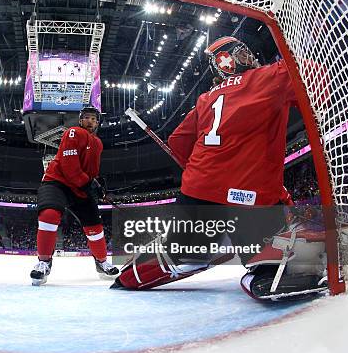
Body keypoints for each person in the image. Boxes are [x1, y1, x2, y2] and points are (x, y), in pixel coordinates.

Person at [114, 36, 325, 300]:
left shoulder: (206, 98)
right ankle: (261, 272)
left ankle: (133, 274)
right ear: (226, 61)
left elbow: (178, 142)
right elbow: (319, 77)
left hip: (194, 195)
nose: (250, 57)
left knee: (187, 251)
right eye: (242, 53)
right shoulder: (268, 77)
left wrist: (204, 170)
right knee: (267, 257)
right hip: (248, 198)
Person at [30, 106, 119, 286]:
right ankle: (44, 262)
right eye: (86, 118)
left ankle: (101, 261)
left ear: (97, 123)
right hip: (57, 182)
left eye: (93, 119)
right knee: (48, 215)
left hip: (80, 188)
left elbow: (91, 170)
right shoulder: (73, 132)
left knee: (95, 228)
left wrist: (97, 184)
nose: (90, 121)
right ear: (80, 120)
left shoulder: (98, 143)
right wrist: (88, 183)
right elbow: (69, 164)